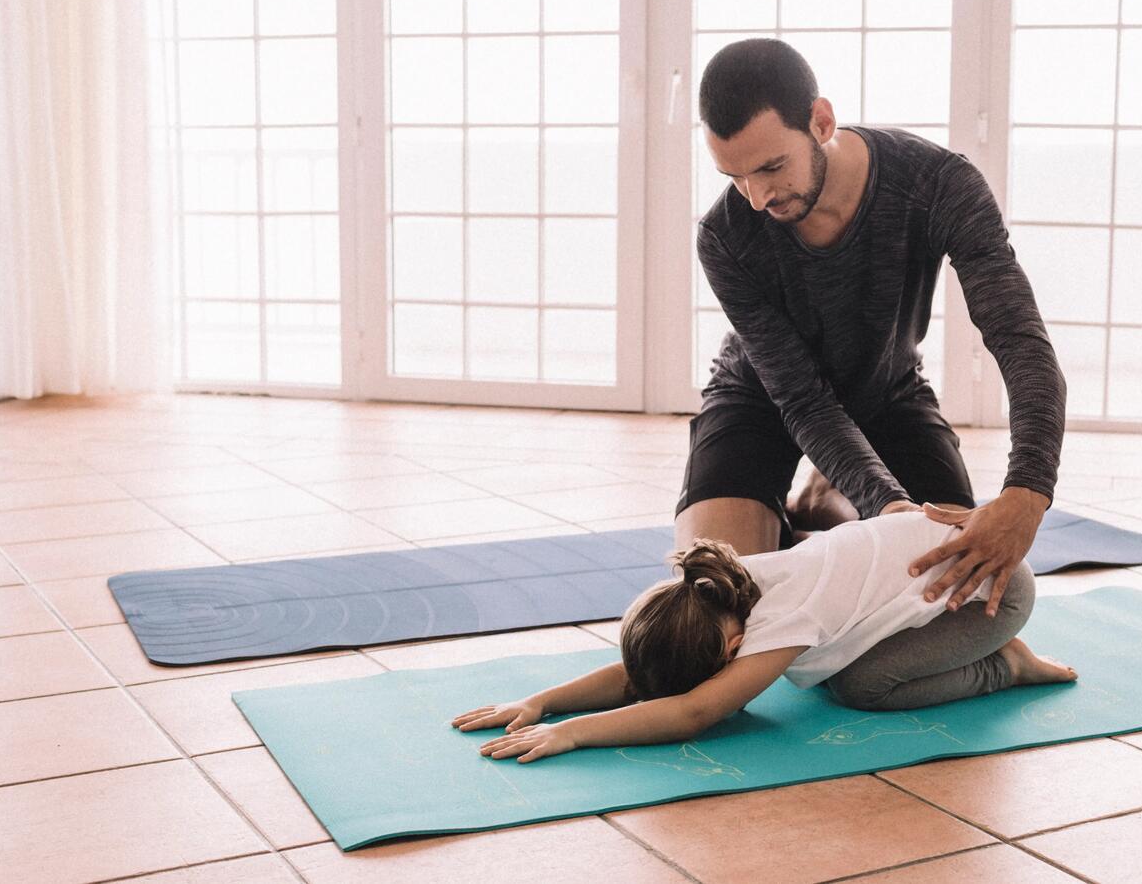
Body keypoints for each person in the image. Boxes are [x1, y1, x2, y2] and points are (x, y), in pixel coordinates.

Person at [675, 37, 1067, 622]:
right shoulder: (725, 235)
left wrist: (1028, 492)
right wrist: (885, 506)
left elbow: (1018, 339)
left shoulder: (938, 184)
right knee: (716, 609)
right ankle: (838, 499)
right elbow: (802, 398)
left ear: (821, 121)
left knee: (952, 599)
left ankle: (824, 498)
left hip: (889, 393)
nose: (756, 198)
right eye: (734, 177)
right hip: (759, 401)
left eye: (771, 167)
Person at [452, 513, 1076, 763]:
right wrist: (544, 700)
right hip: (943, 574)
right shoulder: (719, 589)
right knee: (833, 672)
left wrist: (571, 732)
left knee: (861, 685)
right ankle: (991, 657)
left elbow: (695, 710)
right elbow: (648, 673)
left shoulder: (782, 619)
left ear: (727, 654)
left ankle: (1006, 666)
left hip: (991, 595)